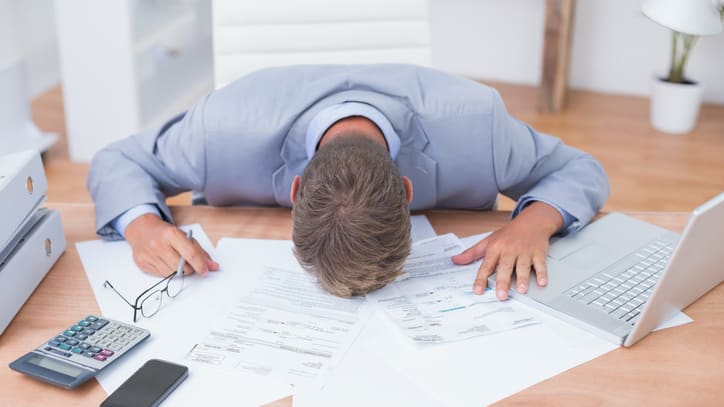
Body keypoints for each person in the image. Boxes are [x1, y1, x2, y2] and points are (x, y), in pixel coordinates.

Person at [88, 64, 609, 300]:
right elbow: (117, 160)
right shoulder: (220, 129)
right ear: (295, 195)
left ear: (405, 192)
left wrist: (536, 223)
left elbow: (581, 168)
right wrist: (140, 224)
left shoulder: (479, 125)